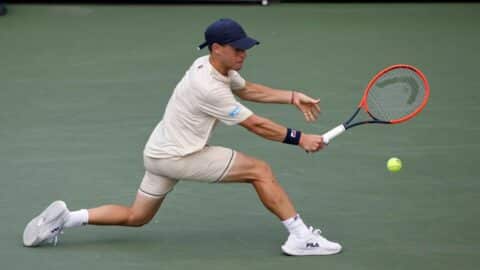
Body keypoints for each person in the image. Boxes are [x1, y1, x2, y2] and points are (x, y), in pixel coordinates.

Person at [23, 18, 342, 256]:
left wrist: (292, 96)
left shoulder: (209, 66)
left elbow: (248, 90)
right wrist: (299, 138)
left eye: (245, 47)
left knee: (137, 217)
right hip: (179, 157)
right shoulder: (209, 89)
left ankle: (66, 219)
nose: (244, 52)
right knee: (260, 170)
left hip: (158, 153)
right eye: (237, 48)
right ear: (217, 49)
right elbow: (256, 125)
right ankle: (300, 236)